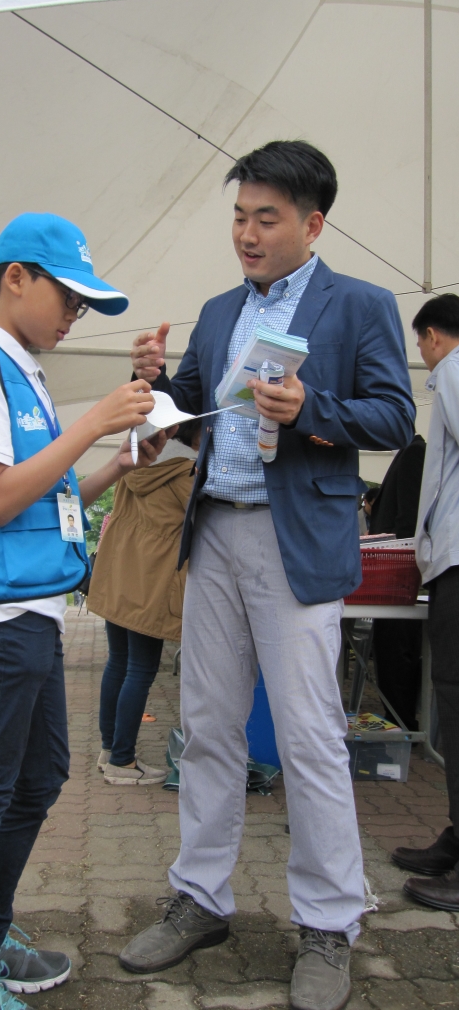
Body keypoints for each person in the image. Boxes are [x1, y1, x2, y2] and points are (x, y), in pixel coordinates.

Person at [120, 140, 415, 1010]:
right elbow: (185, 415)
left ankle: (328, 923)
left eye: (266, 218)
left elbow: (395, 416)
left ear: (311, 223)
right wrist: (151, 387)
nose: (247, 234)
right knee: (207, 728)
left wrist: (311, 411)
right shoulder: (216, 314)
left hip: (296, 544)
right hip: (214, 535)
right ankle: (201, 898)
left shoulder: (357, 305)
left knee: (309, 738)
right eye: (240, 217)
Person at [0, 212, 165, 1010]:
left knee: (41, 776)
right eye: (68, 296)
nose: (74, 316)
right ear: (16, 277)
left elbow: (51, 496)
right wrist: (94, 419)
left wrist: (119, 457)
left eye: (85, 306)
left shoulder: (21, 370)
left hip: (32, 608)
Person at [391, 293, 459, 908]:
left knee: (458, 705)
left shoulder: (457, 371)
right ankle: (457, 837)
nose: (422, 355)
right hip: (451, 562)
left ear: (433, 336)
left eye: (420, 343)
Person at [88, 420, 200, 785]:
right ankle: (122, 760)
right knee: (140, 669)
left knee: (118, 662)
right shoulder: (187, 471)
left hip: (118, 570)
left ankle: (110, 750)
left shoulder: (134, 460)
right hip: (151, 578)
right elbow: (205, 521)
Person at [370, 435, 426, 729]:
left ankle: (401, 719)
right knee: (390, 645)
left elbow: (409, 519)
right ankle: (398, 717)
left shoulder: (414, 452)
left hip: (397, 571)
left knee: (397, 647)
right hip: (391, 570)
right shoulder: (408, 452)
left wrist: (400, 560)